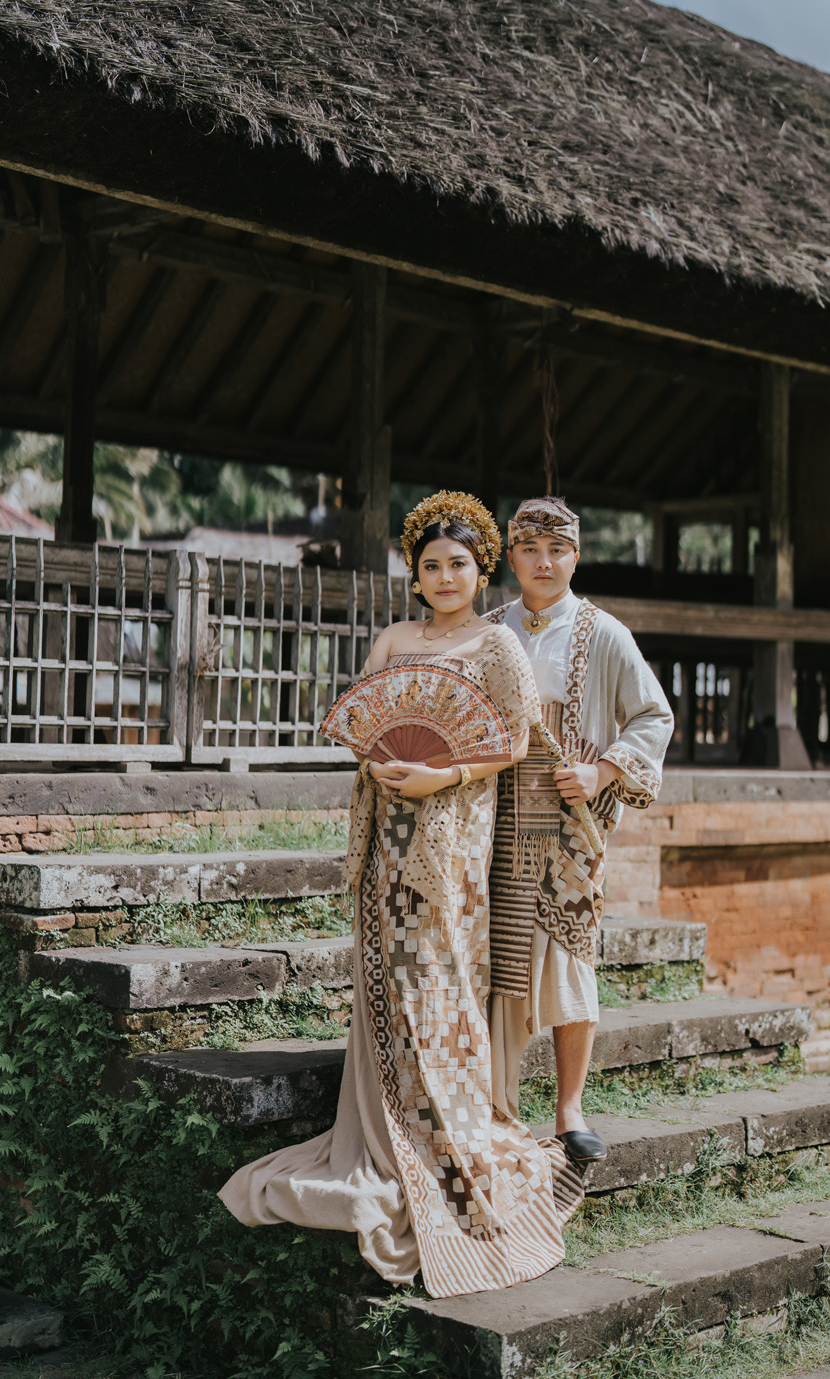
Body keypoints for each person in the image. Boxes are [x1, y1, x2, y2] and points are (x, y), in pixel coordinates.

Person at [218, 492, 583, 1299]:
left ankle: (447, 1129)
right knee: (386, 970)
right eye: (431, 565)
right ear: (415, 574)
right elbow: (370, 724)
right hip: (387, 825)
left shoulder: (497, 644)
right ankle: (382, 1130)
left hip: (454, 835)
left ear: (481, 568)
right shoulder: (392, 639)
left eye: (459, 563)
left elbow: (510, 741)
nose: (445, 576)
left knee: (438, 977)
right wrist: (384, 763)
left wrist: (440, 775)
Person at [485, 496, 674, 1164]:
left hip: (571, 825)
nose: (543, 562)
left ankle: (570, 1110)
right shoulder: (487, 631)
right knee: (495, 955)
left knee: (569, 957)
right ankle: (495, 1103)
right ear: (511, 557)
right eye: (530, 549)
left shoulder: (605, 634)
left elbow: (653, 715)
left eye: (556, 550)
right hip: (493, 817)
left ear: (576, 556)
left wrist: (603, 771)